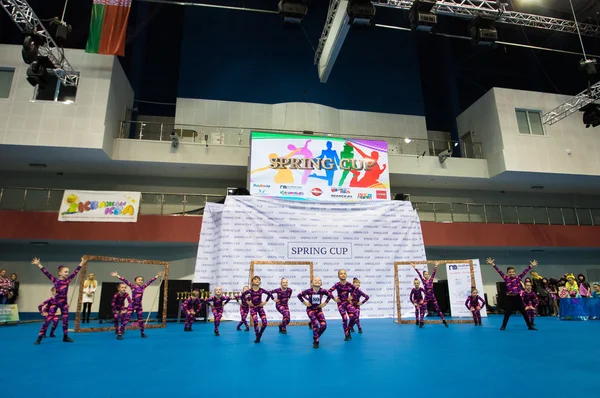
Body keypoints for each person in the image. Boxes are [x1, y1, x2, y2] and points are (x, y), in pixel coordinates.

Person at [33, 257, 86, 344]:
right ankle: (39, 338)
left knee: (65, 320)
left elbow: (75, 272)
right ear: (60, 273)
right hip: (55, 302)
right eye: (65, 272)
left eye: (68, 272)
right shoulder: (55, 280)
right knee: (48, 320)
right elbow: (46, 273)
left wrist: (81, 263)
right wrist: (39, 264)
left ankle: (65, 336)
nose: (68, 273)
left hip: (64, 303)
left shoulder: (68, 280)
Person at [111, 270, 164, 340]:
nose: (140, 281)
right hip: (132, 305)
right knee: (126, 319)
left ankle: (142, 333)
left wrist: (157, 276)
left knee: (141, 320)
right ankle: (120, 333)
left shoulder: (143, 287)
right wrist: (117, 275)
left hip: (139, 306)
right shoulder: (132, 286)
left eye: (141, 280)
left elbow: (150, 281)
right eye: (139, 280)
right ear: (135, 281)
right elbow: (125, 280)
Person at [487, 257, 537, 331]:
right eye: (510, 272)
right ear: (508, 273)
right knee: (507, 313)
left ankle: (529, 326)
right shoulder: (506, 278)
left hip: (517, 298)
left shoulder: (518, 278)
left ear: (515, 272)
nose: (511, 273)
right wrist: (493, 264)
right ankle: (503, 326)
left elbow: (525, 272)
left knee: (524, 312)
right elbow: (499, 271)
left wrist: (531, 265)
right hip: (510, 298)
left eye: (513, 272)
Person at [298, 276, 332, 349]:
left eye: (319, 280)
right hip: (310, 310)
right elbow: (299, 295)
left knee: (324, 325)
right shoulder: (308, 291)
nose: (317, 281)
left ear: (321, 283)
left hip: (319, 310)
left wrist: (325, 303)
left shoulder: (323, 291)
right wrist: (305, 303)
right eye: (315, 280)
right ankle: (316, 341)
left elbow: (330, 295)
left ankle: (315, 336)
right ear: (312, 283)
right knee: (315, 323)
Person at [412, 263, 448, 327]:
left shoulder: (431, 280)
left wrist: (436, 266)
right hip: (426, 297)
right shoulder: (423, 281)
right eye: (425, 274)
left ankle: (443, 320)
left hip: (432, 296)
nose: (427, 275)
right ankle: (421, 321)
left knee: (438, 309)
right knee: (423, 309)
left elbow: (434, 273)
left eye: (427, 274)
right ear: (424, 276)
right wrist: (415, 268)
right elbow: (419, 274)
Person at [328, 269, 358, 341]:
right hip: (340, 303)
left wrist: (352, 296)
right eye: (341, 273)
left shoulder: (349, 284)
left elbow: (356, 289)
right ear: (338, 276)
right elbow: (329, 291)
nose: (343, 275)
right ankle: (346, 334)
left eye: (344, 273)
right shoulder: (337, 285)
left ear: (346, 275)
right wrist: (334, 299)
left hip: (347, 303)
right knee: (345, 318)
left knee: (355, 315)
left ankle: (349, 328)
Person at [242, 276, 272, 343]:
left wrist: (265, 302)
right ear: (252, 282)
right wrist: (247, 302)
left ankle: (260, 334)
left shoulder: (261, 290)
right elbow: (243, 295)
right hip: (253, 308)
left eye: (259, 280)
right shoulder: (250, 290)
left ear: (260, 282)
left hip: (260, 307)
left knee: (265, 322)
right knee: (255, 321)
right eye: (255, 280)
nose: (257, 281)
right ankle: (257, 336)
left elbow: (269, 294)